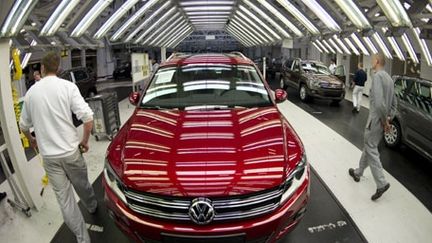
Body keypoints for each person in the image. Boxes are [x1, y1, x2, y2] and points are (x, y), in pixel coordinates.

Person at [19, 52, 97, 243]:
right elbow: (87, 118)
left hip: (50, 159)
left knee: (65, 201)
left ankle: (82, 239)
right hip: (71, 152)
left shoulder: (31, 93)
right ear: (59, 68)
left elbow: (23, 126)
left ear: (42, 69)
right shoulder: (68, 87)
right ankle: (93, 206)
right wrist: (85, 141)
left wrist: (32, 140)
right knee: (82, 185)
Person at [349, 54, 397, 201]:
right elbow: (394, 103)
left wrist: (384, 121)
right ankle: (358, 172)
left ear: (376, 62)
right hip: (382, 120)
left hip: (375, 121)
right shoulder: (389, 78)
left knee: (371, 148)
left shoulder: (377, 77)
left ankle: (381, 183)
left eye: (372, 60)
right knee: (369, 146)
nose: (371, 62)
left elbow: (379, 103)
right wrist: (389, 118)